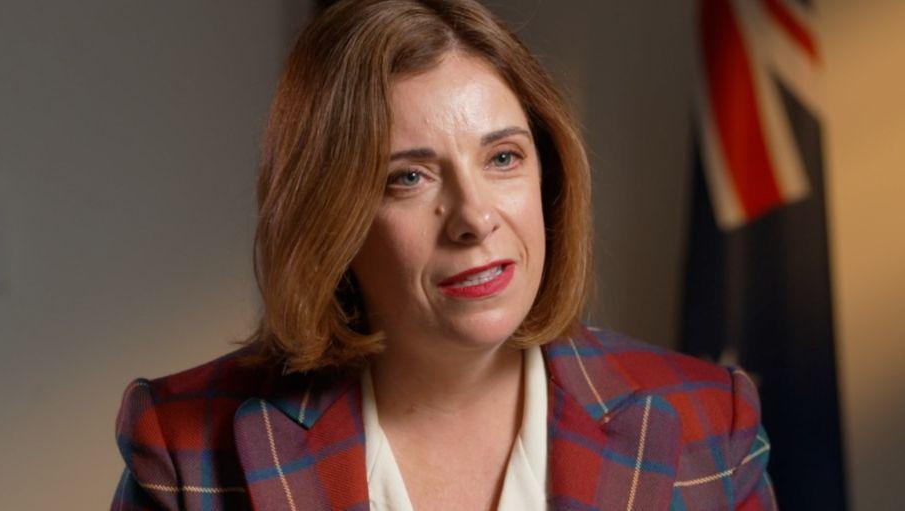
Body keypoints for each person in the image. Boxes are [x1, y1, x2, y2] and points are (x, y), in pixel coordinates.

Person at [111, 0, 776, 509]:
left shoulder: (709, 422)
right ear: (330, 218)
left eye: (503, 157)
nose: (475, 217)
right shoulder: (184, 444)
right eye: (409, 176)